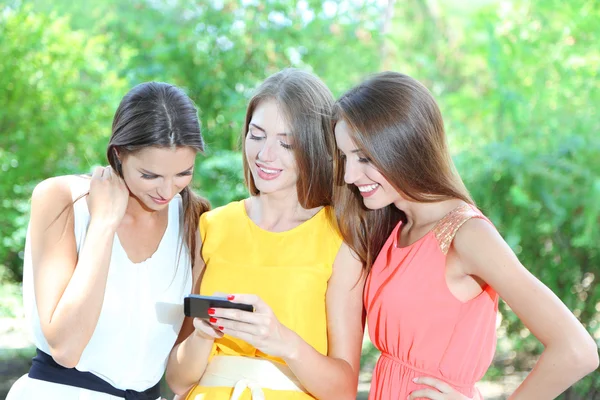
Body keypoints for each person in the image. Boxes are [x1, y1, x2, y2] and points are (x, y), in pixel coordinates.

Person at [332, 71, 599, 400]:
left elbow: (577, 350)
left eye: (363, 157)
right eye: (345, 157)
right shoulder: (396, 226)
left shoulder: (467, 234)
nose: (348, 175)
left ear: (404, 147)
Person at [165, 68, 365, 400]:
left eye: (286, 143)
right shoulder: (213, 226)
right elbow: (177, 379)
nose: (265, 155)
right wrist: (202, 336)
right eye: (256, 136)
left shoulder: (340, 237)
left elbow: (343, 390)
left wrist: (281, 340)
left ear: (314, 148)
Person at [7, 81, 211, 400]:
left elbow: (180, 367)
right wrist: (103, 224)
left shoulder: (194, 218)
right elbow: (66, 348)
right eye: (150, 175)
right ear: (118, 153)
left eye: (183, 173)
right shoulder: (62, 199)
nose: (167, 190)